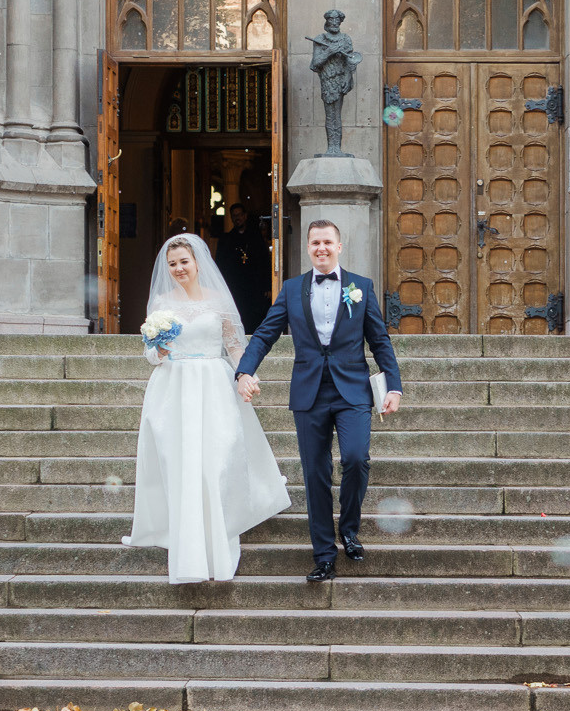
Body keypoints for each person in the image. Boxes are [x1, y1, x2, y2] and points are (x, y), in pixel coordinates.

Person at [234, 220, 403, 584]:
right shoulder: (292, 289)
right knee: (315, 473)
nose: (321, 248)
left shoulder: (361, 287)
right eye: (315, 243)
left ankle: (350, 529)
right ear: (307, 248)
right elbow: (265, 333)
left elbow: (379, 340)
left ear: (339, 246)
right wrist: (244, 371)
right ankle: (324, 555)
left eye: (327, 242)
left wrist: (394, 386)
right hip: (309, 391)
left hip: (352, 390)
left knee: (356, 458)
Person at [124, 234, 290, 583]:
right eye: (172, 264)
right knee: (180, 462)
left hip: (214, 385)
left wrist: (246, 375)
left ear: (198, 263)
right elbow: (150, 353)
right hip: (173, 389)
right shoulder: (161, 303)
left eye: (184, 261)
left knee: (217, 459)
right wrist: (159, 351)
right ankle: (187, 538)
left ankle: (217, 534)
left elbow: (234, 346)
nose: (178, 269)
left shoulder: (218, 301)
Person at [218, 204, 271, 334]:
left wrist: (268, 286)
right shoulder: (226, 239)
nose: (237, 218)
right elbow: (221, 266)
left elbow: (265, 261)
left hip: (255, 288)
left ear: (245, 216)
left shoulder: (256, 237)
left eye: (240, 215)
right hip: (235, 289)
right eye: (234, 216)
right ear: (231, 218)